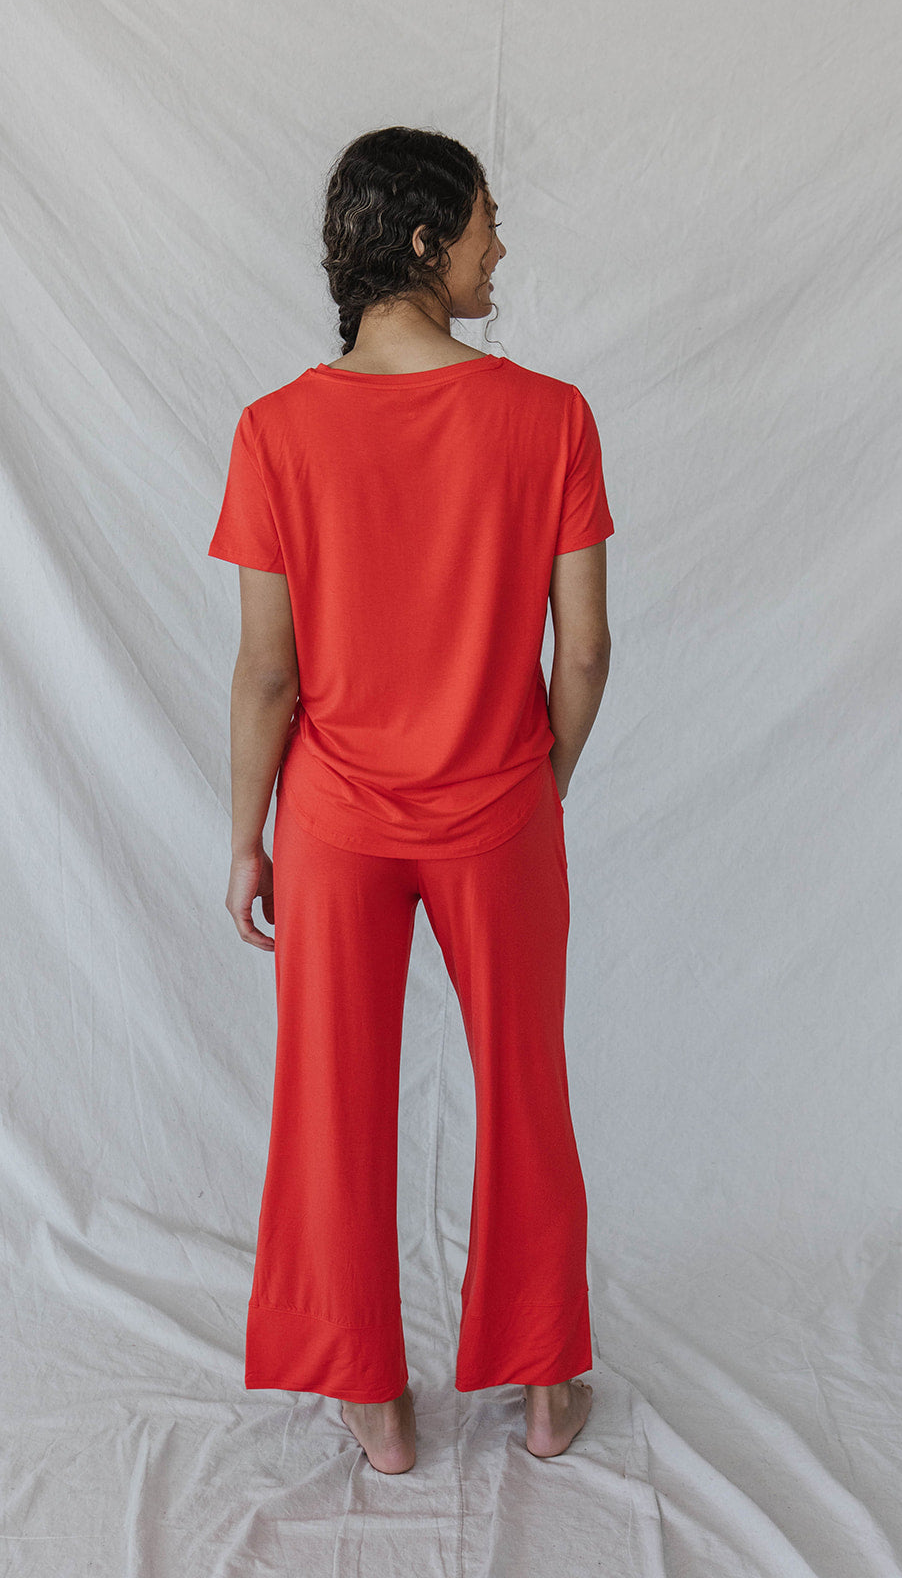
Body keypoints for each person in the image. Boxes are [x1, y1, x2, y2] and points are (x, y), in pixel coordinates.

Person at [208, 126, 614, 1474]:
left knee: (328, 1102)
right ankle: (546, 1387)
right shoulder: (551, 416)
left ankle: (372, 1403)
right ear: (430, 241)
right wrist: (538, 784)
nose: (503, 247)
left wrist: (247, 839)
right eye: (488, 222)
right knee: (526, 1090)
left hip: (335, 818)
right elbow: (585, 650)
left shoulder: (275, 431)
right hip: (500, 809)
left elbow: (269, 673)